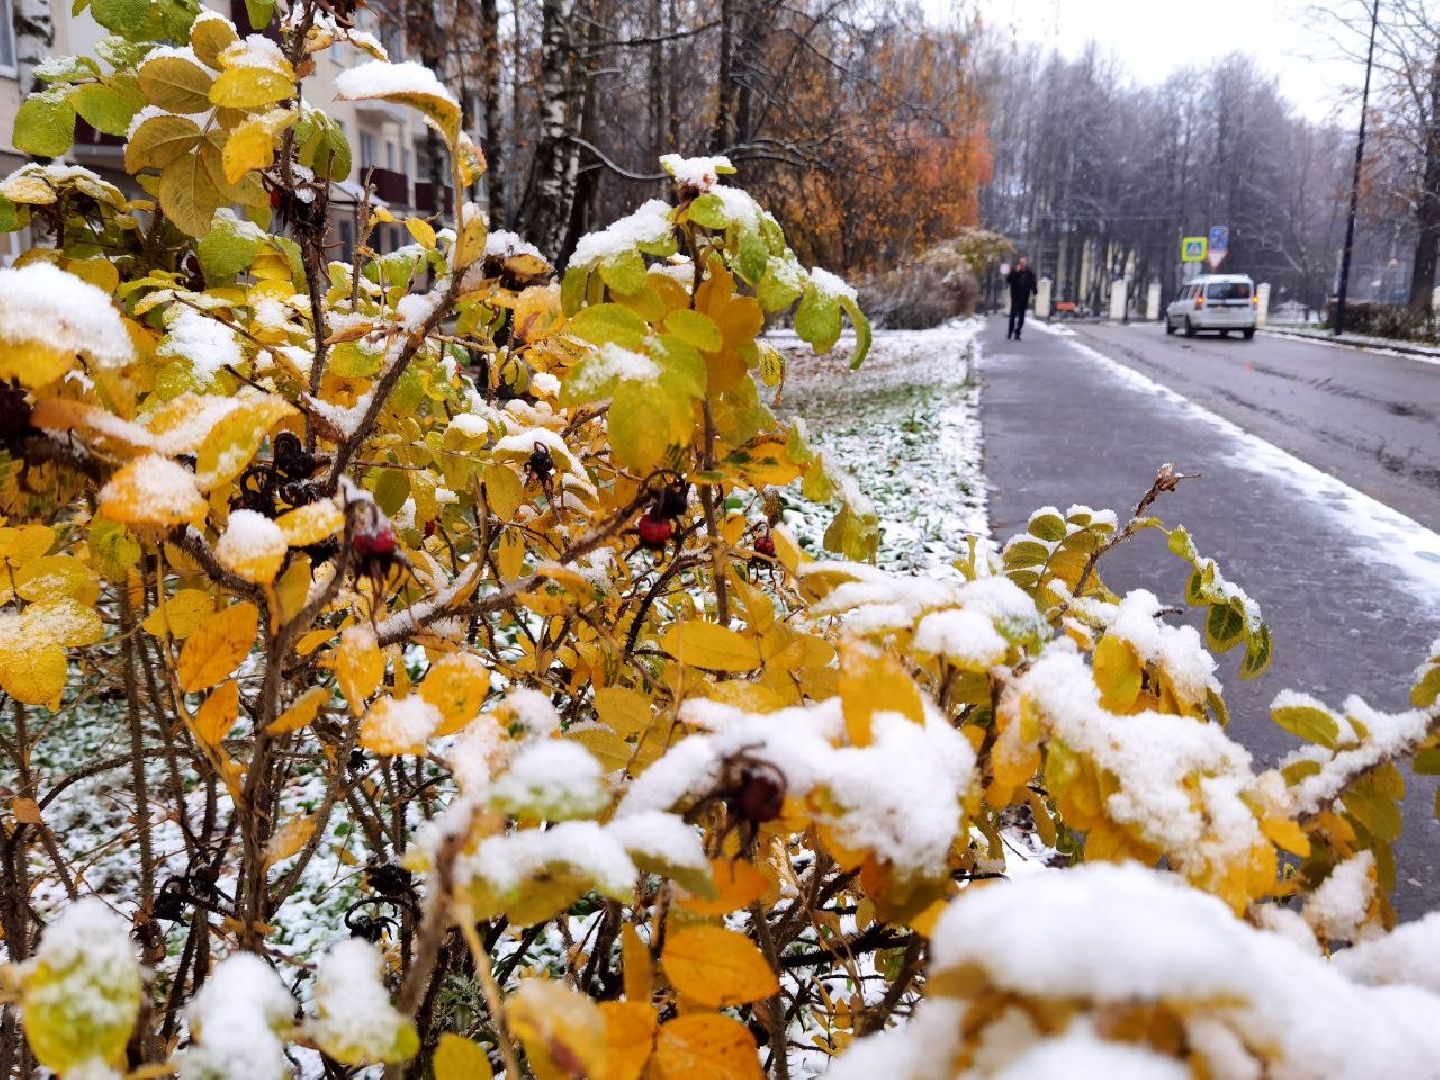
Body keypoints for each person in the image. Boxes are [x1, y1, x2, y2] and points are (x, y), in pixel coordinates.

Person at [1006, 257, 1038, 340]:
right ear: (1019, 263)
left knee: (1021, 316)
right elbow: (1009, 280)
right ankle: (1010, 332)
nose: (1022, 264)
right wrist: (1015, 272)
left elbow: (1033, 283)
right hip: (1015, 296)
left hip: (1024, 297)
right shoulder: (1014, 272)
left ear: (1026, 263)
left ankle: (1017, 333)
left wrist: (1034, 290)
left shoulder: (1029, 273)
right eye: (1021, 262)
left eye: (1023, 262)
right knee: (1013, 315)